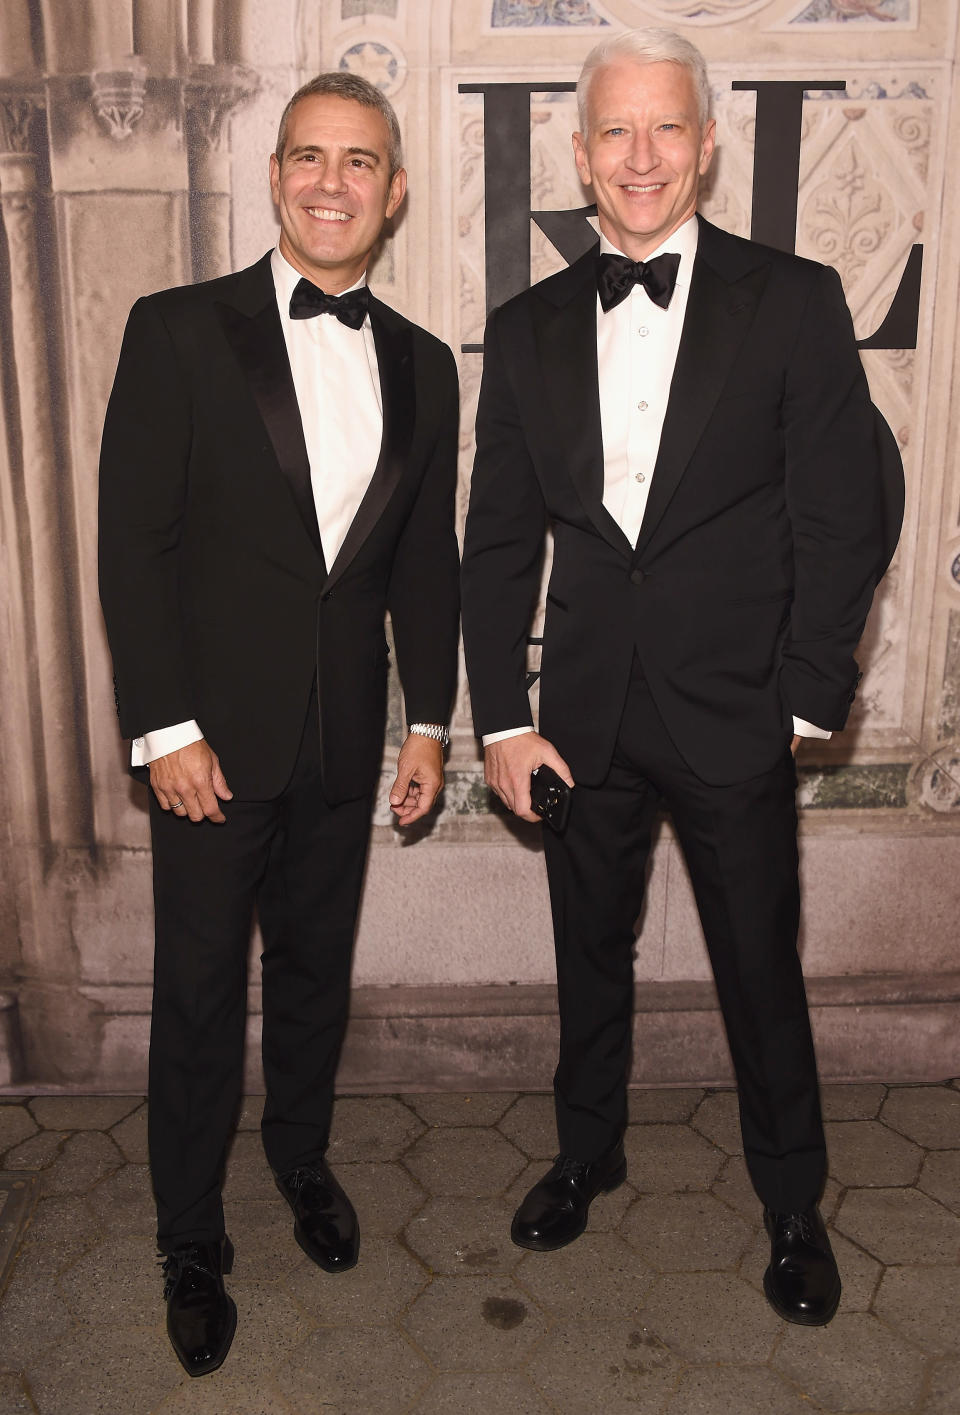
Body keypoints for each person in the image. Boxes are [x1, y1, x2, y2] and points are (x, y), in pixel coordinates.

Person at [460, 27, 901, 1327]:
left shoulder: (793, 300)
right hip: (583, 714)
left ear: (710, 145)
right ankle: (587, 1151)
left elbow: (843, 513)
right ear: (580, 154)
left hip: (737, 709)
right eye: (615, 132)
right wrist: (499, 717)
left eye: (666, 129)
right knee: (587, 955)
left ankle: (790, 1201)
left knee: (760, 967)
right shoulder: (527, 328)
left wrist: (809, 693)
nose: (640, 157)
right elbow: (494, 543)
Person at [98, 72, 460, 1376]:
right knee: (197, 995)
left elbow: (425, 564)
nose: (330, 182)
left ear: (394, 188)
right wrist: (162, 727)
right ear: (276, 175)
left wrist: (429, 727)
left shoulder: (424, 365)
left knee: (316, 975)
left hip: (344, 740)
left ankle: (300, 1159)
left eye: (358, 162)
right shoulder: (180, 329)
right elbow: (134, 547)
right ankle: (189, 1238)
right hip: (208, 746)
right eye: (309, 156)